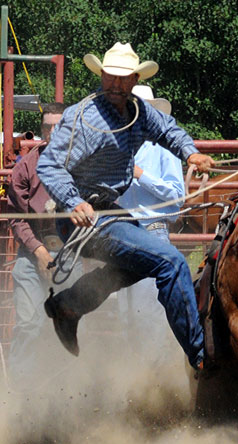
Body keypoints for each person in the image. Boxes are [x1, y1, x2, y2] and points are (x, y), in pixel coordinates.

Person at [36, 42, 215, 371]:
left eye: (122, 78)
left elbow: (168, 130)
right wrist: (73, 201)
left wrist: (190, 153)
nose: (115, 84)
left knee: (139, 266)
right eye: (110, 77)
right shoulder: (85, 119)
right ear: (101, 75)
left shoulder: (138, 112)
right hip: (83, 217)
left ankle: (68, 306)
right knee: (171, 262)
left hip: (109, 212)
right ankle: (202, 357)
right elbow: (49, 165)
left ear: (134, 80)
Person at [6, 102, 83, 390]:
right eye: (47, 126)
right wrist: (38, 250)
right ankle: (17, 393)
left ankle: (66, 391)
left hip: (70, 254)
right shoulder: (26, 166)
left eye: (58, 125)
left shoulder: (81, 163)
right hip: (32, 253)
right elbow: (17, 216)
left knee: (68, 326)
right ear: (41, 131)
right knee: (29, 323)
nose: (52, 131)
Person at [117, 85, 185, 363]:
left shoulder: (162, 149)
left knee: (150, 317)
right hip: (121, 233)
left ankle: (156, 383)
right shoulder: (117, 146)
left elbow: (177, 196)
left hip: (152, 230)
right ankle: (137, 383)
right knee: (126, 317)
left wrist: (140, 175)